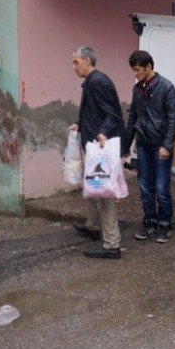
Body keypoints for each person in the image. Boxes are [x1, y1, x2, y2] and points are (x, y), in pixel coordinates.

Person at [68, 46, 125, 259]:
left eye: (76, 62)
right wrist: (79, 124)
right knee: (92, 186)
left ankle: (112, 245)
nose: (73, 67)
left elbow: (111, 114)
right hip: (93, 143)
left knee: (103, 193)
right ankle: (92, 226)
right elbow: (93, 112)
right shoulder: (93, 81)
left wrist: (103, 133)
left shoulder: (97, 82)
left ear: (86, 61)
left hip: (100, 146)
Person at [122, 50, 175, 243]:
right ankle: (150, 223)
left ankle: (164, 225)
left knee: (162, 187)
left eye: (137, 70)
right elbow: (132, 119)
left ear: (149, 67)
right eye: (133, 70)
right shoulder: (138, 89)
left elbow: (173, 119)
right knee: (145, 187)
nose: (135, 74)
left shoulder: (167, 88)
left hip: (161, 145)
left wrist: (167, 146)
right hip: (144, 144)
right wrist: (125, 147)